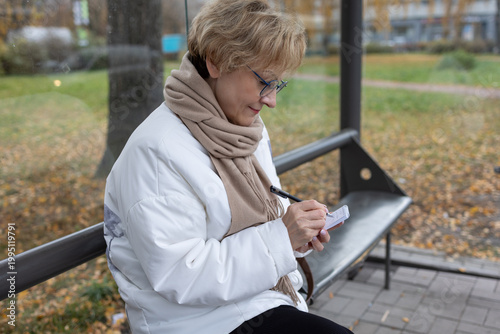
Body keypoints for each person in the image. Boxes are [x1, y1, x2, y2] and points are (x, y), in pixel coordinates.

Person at [103, 0, 353, 333]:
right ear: (217, 62)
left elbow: (265, 219)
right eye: (265, 81)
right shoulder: (156, 151)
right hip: (198, 321)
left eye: (278, 84)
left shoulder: (243, 128)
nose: (271, 99)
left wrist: (293, 237)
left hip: (256, 300)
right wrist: (281, 238)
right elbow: (181, 274)